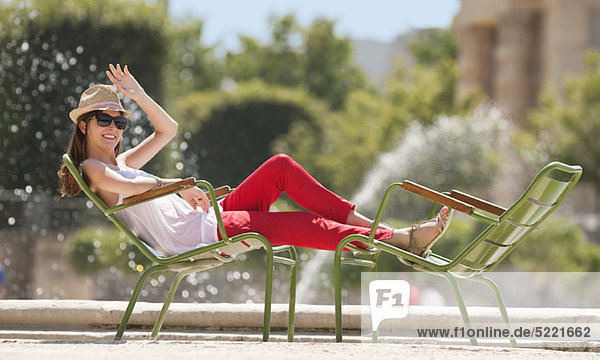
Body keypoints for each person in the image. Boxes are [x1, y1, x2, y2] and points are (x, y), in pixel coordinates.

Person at [58, 64, 449, 258]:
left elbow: (169, 130)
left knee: (279, 165)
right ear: (84, 128)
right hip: (203, 236)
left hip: (211, 216)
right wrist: (178, 186)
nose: (114, 127)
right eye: (104, 121)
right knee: (294, 224)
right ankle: (397, 240)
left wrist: (139, 95)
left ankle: (372, 227)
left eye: (119, 120)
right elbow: (133, 187)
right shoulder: (95, 170)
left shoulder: (122, 159)